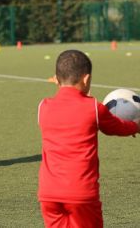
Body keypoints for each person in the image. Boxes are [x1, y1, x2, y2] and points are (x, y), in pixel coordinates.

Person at [37, 49, 140, 228]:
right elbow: (117, 127)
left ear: (56, 78)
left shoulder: (43, 107)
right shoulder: (93, 107)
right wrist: (136, 126)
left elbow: (65, 114)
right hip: (81, 194)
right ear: (86, 79)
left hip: (48, 195)